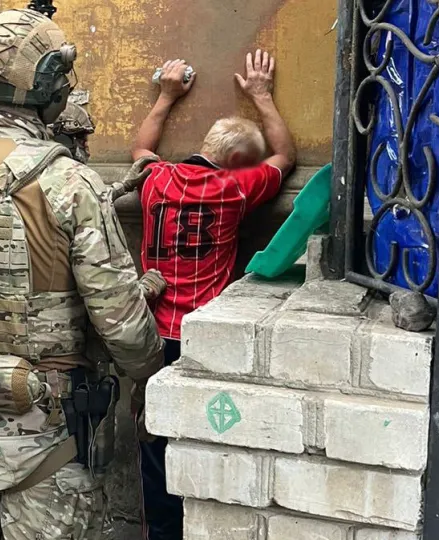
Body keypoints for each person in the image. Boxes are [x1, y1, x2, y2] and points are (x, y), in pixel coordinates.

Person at [0, 8, 164, 540]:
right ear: (51, 90)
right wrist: (149, 376)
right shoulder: (71, 183)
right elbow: (121, 322)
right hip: (47, 436)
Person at [130, 51, 296, 540]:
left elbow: (141, 149)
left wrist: (166, 95)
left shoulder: (156, 180)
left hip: (152, 334)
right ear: (240, 163)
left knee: (154, 443)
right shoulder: (234, 189)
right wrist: (262, 96)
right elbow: (285, 157)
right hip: (202, 337)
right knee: (209, 435)